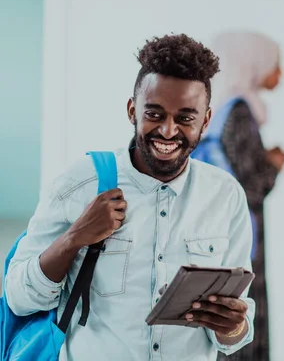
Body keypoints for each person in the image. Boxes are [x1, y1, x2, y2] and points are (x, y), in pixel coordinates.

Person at [4, 34, 256, 361]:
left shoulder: (226, 196)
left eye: (185, 118)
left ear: (205, 121)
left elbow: (233, 334)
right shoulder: (79, 183)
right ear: (132, 110)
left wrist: (233, 327)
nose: (168, 131)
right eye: (154, 114)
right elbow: (18, 298)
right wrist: (75, 238)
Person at [195, 31, 284, 361]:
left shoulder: (216, 108)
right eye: (276, 64)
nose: (280, 73)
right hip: (243, 233)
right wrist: (273, 165)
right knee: (241, 315)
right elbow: (250, 186)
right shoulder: (240, 110)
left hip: (220, 229)